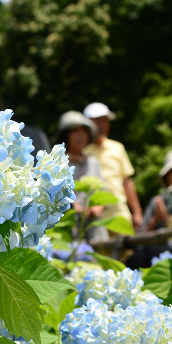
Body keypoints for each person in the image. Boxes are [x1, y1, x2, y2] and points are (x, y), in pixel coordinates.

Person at [82, 102, 143, 230]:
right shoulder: (82, 152)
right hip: (93, 217)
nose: (102, 125)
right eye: (97, 121)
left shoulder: (117, 148)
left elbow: (127, 182)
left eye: (105, 121)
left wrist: (137, 212)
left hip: (120, 213)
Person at [54, 111, 107, 242]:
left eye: (84, 131)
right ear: (66, 135)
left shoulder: (92, 162)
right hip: (67, 227)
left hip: (93, 228)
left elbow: (104, 194)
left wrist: (97, 208)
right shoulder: (57, 162)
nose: (80, 136)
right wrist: (73, 206)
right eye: (75, 131)